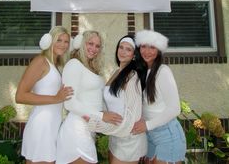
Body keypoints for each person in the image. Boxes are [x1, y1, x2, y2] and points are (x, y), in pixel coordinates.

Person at [56, 30, 121, 164]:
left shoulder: (93, 68)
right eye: (90, 44)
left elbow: (96, 98)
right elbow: (70, 104)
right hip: (76, 130)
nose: (93, 49)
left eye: (97, 46)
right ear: (81, 44)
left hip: (89, 129)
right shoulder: (74, 64)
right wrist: (102, 115)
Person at [15, 26, 73, 164]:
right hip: (42, 126)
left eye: (66, 41)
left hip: (53, 125)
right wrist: (56, 98)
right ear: (49, 40)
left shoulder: (57, 65)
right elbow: (20, 96)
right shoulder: (40, 61)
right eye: (59, 40)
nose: (63, 45)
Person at [86, 35, 147, 164]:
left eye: (128, 49)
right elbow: (107, 105)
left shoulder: (133, 77)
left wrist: (97, 122)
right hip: (115, 136)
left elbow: (133, 117)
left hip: (129, 139)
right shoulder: (116, 72)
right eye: (121, 47)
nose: (123, 51)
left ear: (134, 55)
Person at [132, 30, 186, 164]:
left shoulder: (163, 71)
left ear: (159, 50)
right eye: (144, 46)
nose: (147, 51)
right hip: (150, 135)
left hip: (167, 134)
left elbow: (174, 109)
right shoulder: (143, 72)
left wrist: (147, 125)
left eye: (152, 47)